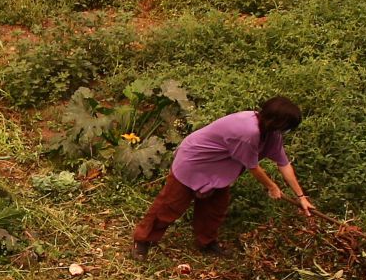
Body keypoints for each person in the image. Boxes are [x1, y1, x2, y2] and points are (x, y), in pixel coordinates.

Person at [132, 96, 314, 256]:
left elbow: (284, 163)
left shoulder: (272, 134)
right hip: (195, 162)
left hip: (219, 170)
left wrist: (301, 197)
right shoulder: (248, 132)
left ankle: (206, 242)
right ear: (277, 122)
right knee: (171, 204)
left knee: (215, 208)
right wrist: (272, 187)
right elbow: (253, 167)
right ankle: (143, 239)